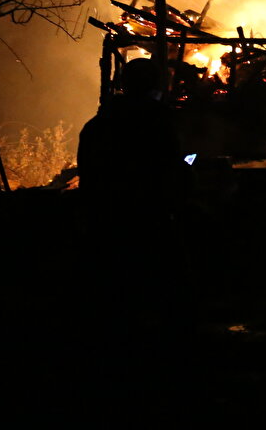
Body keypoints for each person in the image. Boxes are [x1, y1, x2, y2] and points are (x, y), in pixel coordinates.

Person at [77, 56, 191, 414]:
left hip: (106, 221)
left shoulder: (97, 125)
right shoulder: (160, 122)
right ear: (157, 86)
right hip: (149, 219)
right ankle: (159, 377)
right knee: (163, 292)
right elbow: (177, 163)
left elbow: (89, 173)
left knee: (113, 298)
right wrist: (195, 160)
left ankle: (110, 372)